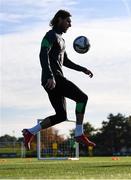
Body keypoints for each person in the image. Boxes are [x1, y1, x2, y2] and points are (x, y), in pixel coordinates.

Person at [22, 10, 96, 150]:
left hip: (52, 79)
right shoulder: (50, 35)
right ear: (59, 19)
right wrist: (49, 75)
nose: (70, 25)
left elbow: (65, 61)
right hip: (53, 78)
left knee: (61, 115)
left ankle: (30, 132)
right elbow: (43, 53)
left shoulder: (61, 39)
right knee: (82, 98)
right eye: (68, 21)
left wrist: (82, 69)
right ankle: (79, 133)